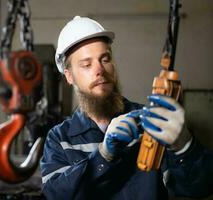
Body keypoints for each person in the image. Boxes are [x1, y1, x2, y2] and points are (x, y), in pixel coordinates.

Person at [40, 16, 213, 200]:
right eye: (87, 64)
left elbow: (200, 188)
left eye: (105, 59)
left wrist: (184, 145)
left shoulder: (150, 123)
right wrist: (103, 156)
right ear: (69, 76)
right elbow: (55, 195)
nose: (100, 70)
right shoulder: (59, 139)